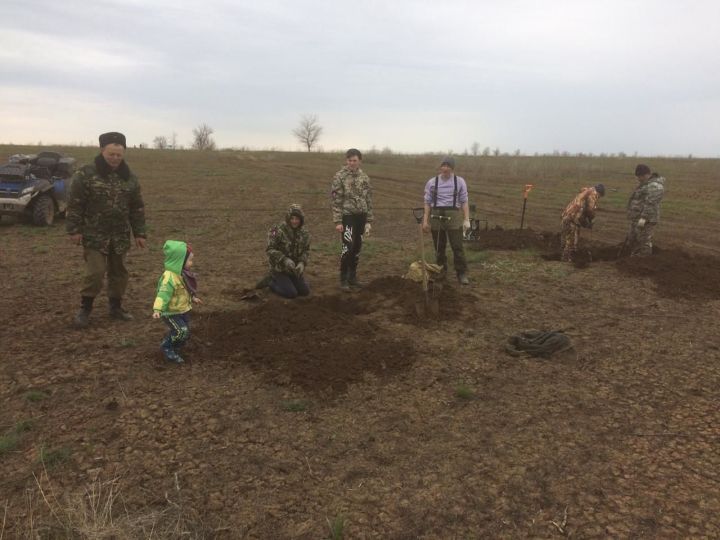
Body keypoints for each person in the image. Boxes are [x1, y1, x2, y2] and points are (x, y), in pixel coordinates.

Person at [66, 132, 146, 328]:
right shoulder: (85, 174)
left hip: (119, 235)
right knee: (95, 272)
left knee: (119, 272)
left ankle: (116, 307)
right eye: (111, 154)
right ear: (102, 151)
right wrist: (74, 230)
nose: (115, 158)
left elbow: (137, 207)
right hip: (94, 234)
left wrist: (140, 233)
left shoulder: (130, 178)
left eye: (119, 155)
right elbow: (75, 204)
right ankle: (85, 309)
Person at [422, 156, 471, 284]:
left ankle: (461, 273)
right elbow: (427, 202)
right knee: (439, 247)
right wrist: (425, 221)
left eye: (448, 166)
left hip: (453, 216)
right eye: (443, 166)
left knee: (457, 246)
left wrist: (466, 219)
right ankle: (441, 272)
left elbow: (464, 201)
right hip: (436, 216)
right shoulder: (432, 182)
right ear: (440, 167)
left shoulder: (459, 182)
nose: (445, 168)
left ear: (452, 168)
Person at [331, 148, 373, 291]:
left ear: (359, 161)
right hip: (347, 217)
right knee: (347, 247)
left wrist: (368, 221)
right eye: (349, 160)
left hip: (361, 217)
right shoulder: (339, 177)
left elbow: (368, 199)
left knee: (356, 248)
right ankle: (343, 279)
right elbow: (336, 200)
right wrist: (337, 221)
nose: (352, 163)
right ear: (346, 161)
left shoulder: (365, 178)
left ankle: (352, 277)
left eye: (355, 160)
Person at [152, 241, 202, 364]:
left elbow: (184, 291)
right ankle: (167, 347)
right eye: (190, 260)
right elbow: (162, 295)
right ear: (179, 260)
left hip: (183, 310)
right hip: (171, 312)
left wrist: (193, 298)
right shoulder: (169, 278)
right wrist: (157, 309)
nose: (192, 263)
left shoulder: (182, 274)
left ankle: (177, 347)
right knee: (181, 331)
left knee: (184, 332)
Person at [266, 204, 311, 298]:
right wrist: (284, 259)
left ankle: (289, 281)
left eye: (297, 219)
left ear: (301, 220)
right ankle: (271, 281)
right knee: (291, 293)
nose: (294, 221)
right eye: (292, 218)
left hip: (292, 270)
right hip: (279, 268)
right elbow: (270, 249)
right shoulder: (277, 230)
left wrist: (302, 262)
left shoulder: (304, 233)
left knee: (305, 291)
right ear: (288, 218)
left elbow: (306, 250)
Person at [626, 164, 665, 256]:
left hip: (646, 219)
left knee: (643, 240)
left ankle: (643, 259)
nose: (638, 179)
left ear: (646, 175)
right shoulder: (645, 184)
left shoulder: (655, 186)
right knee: (632, 238)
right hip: (637, 218)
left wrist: (643, 218)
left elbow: (650, 204)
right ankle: (633, 257)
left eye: (640, 176)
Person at [560, 183, 606, 262]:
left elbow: (582, 209)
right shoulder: (592, 194)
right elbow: (590, 210)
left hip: (568, 216)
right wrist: (591, 219)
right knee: (571, 240)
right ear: (599, 193)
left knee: (571, 238)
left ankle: (569, 257)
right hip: (572, 218)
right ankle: (566, 259)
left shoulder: (586, 192)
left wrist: (585, 222)